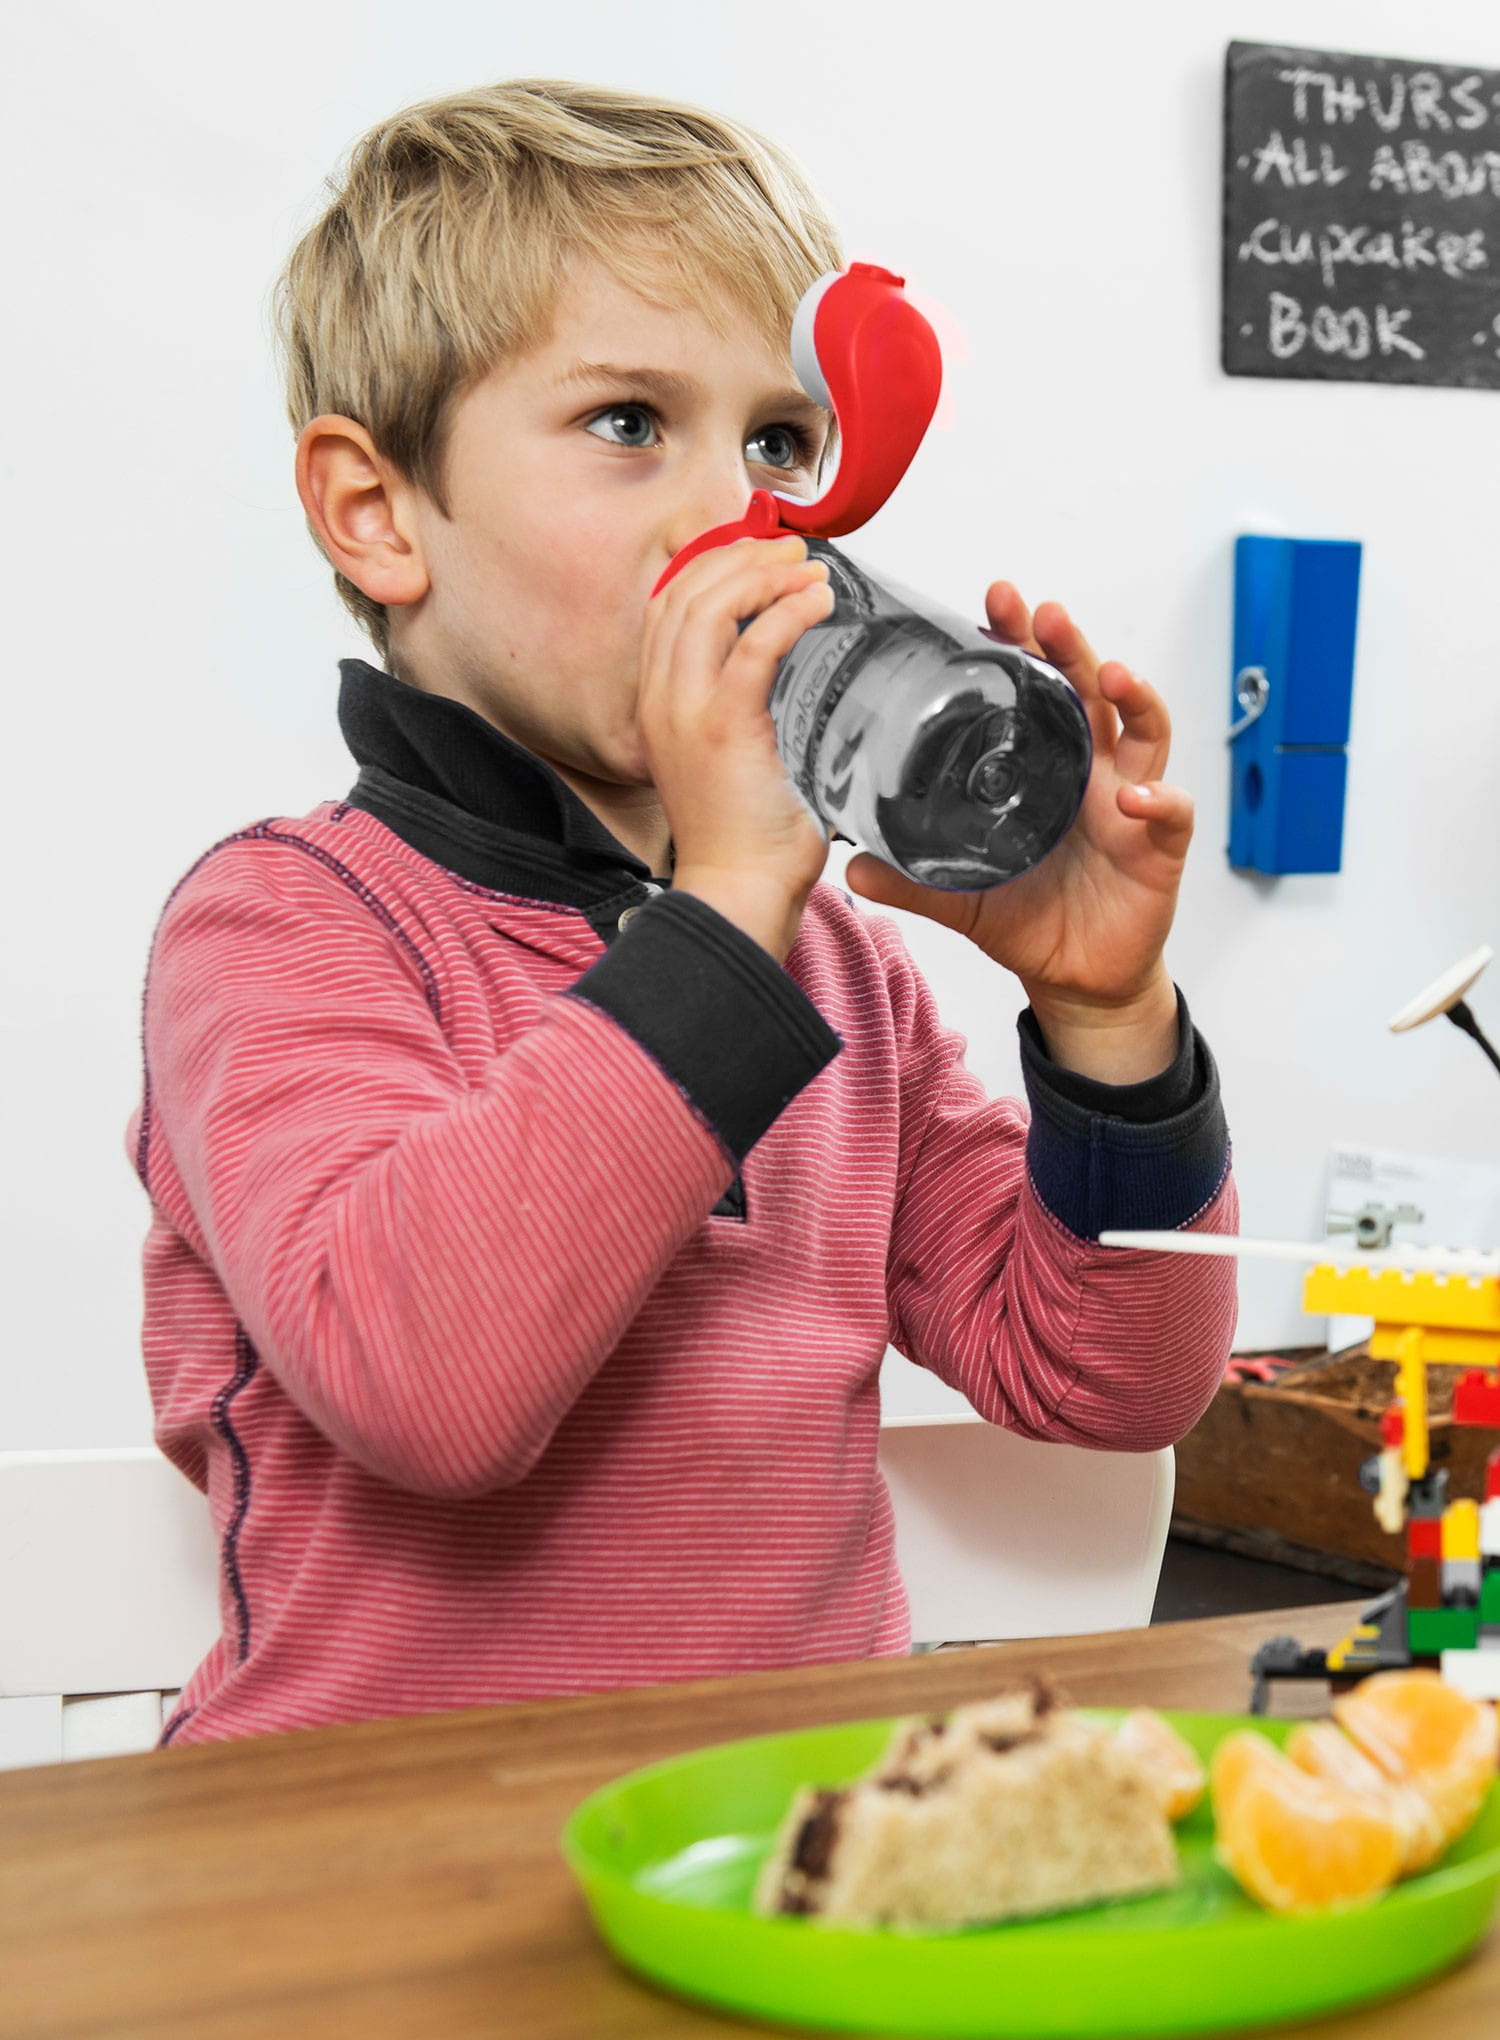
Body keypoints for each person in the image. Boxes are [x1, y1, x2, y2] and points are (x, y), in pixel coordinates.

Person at [129, 78, 1238, 1749]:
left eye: (781, 441)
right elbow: (427, 1389)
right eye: (631, 421)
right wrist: (721, 918)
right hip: (375, 1855)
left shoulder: (839, 970)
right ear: (379, 512)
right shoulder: (286, 926)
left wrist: (1107, 1027)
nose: (743, 513)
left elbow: (1110, 1380)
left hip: (772, 1847)